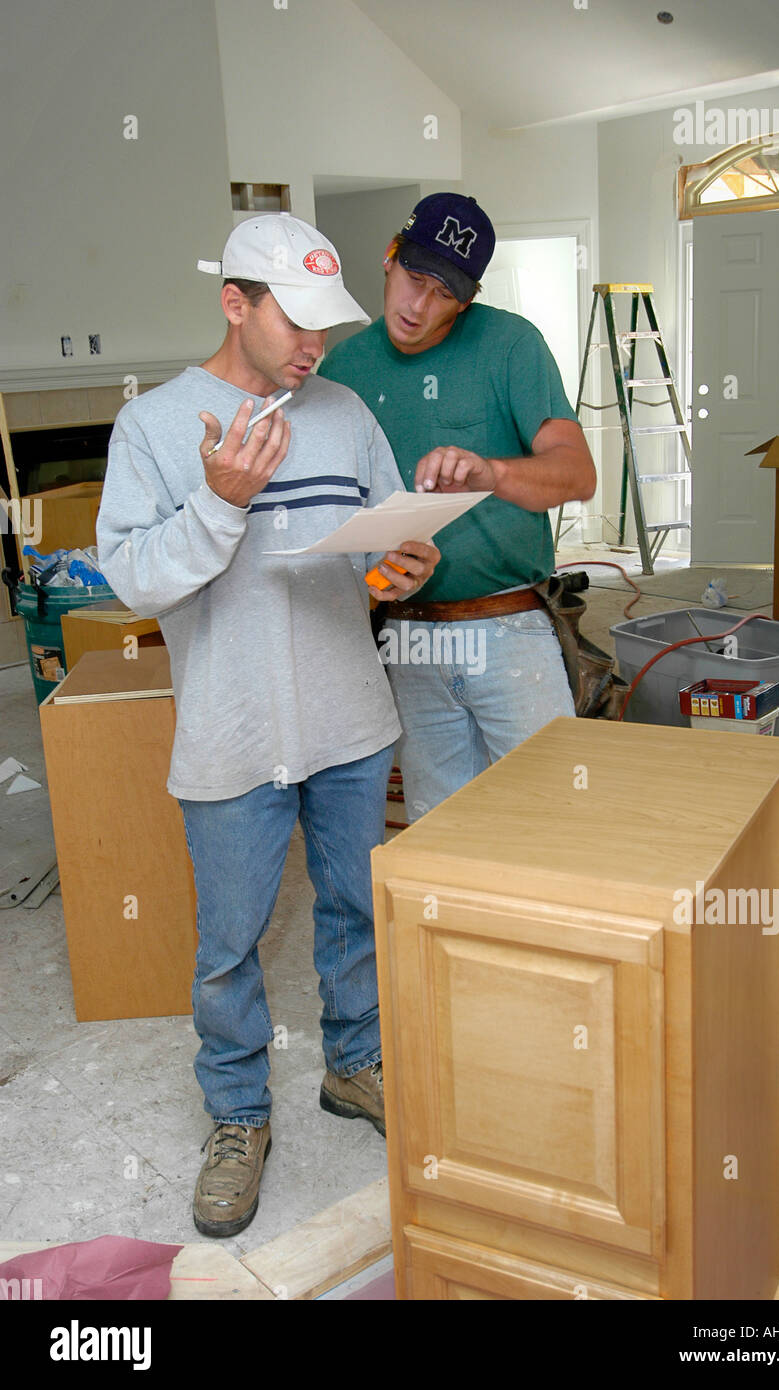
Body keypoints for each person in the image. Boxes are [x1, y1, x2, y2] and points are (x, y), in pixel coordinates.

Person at [96, 214, 439, 1238]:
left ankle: (355, 1063)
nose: (315, 347)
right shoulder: (156, 428)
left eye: (328, 326)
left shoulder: (344, 411)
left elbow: (381, 546)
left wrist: (403, 566)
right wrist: (219, 505)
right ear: (234, 302)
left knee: (351, 908)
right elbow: (133, 576)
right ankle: (240, 1115)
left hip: (348, 717)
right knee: (228, 944)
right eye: (297, 322)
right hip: (231, 731)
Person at [317, 192, 597, 821]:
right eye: (413, 279)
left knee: (554, 824)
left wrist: (493, 472)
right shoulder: (343, 371)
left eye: (442, 293)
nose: (418, 306)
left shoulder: (510, 346)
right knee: (440, 835)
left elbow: (578, 474)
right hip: (407, 636)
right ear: (389, 258)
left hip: (511, 630)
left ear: (466, 300)